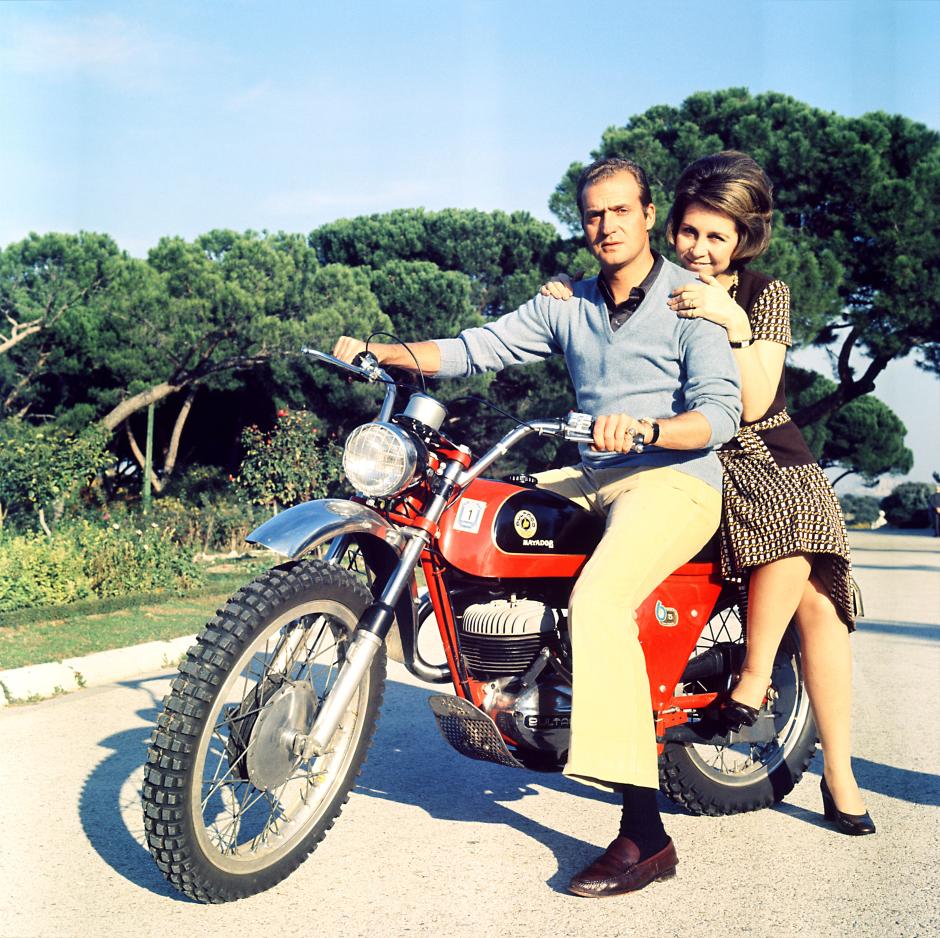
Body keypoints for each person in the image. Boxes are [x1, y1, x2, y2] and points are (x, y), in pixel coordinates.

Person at [333, 156, 742, 897]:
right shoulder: (568, 303)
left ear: (649, 215)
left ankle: (645, 834)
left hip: (674, 477)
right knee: (469, 515)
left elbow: (718, 414)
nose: (606, 226)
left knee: (599, 600)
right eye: (593, 214)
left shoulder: (693, 302)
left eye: (621, 211)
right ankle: (516, 687)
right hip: (590, 472)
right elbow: (475, 348)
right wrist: (383, 352)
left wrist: (648, 428)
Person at [543, 151, 876, 836]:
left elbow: (755, 402)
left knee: (817, 599)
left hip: (766, 453)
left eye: (716, 236)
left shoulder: (763, 292)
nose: (699, 248)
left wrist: (732, 317)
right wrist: (565, 293)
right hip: (686, 457)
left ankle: (824, 754)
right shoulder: (658, 287)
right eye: (690, 232)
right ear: (671, 230)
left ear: (742, 239)